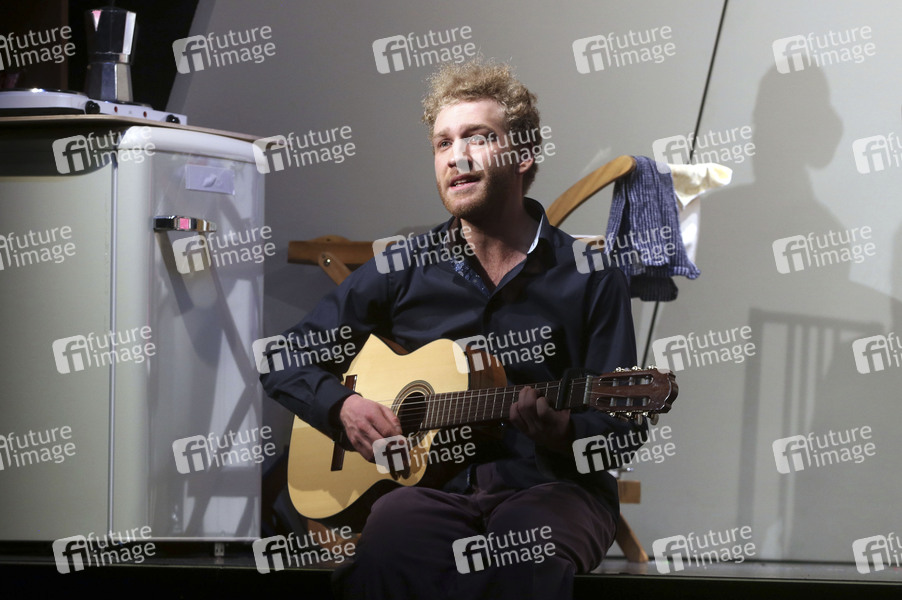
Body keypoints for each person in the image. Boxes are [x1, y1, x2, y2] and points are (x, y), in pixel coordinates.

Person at [260, 58, 648, 599]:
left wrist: (563, 433)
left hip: (553, 489)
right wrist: (342, 407)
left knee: (526, 553)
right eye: (443, 143)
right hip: (430, 491)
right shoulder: (404, 266)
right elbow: (284, 357)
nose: (456, 156)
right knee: (391, 541)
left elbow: (622, 430)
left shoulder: (591, 275)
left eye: (478, 137)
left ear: (523, 155)